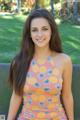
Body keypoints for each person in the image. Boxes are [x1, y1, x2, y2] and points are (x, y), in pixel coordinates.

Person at [7, 8, 74, 120]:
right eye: (34, 30)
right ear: (29, 34)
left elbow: (67, 95)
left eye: (44, 29)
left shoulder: (64, 61)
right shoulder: (19, 62)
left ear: (51, 30)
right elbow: (16, 95)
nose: (40, 34)